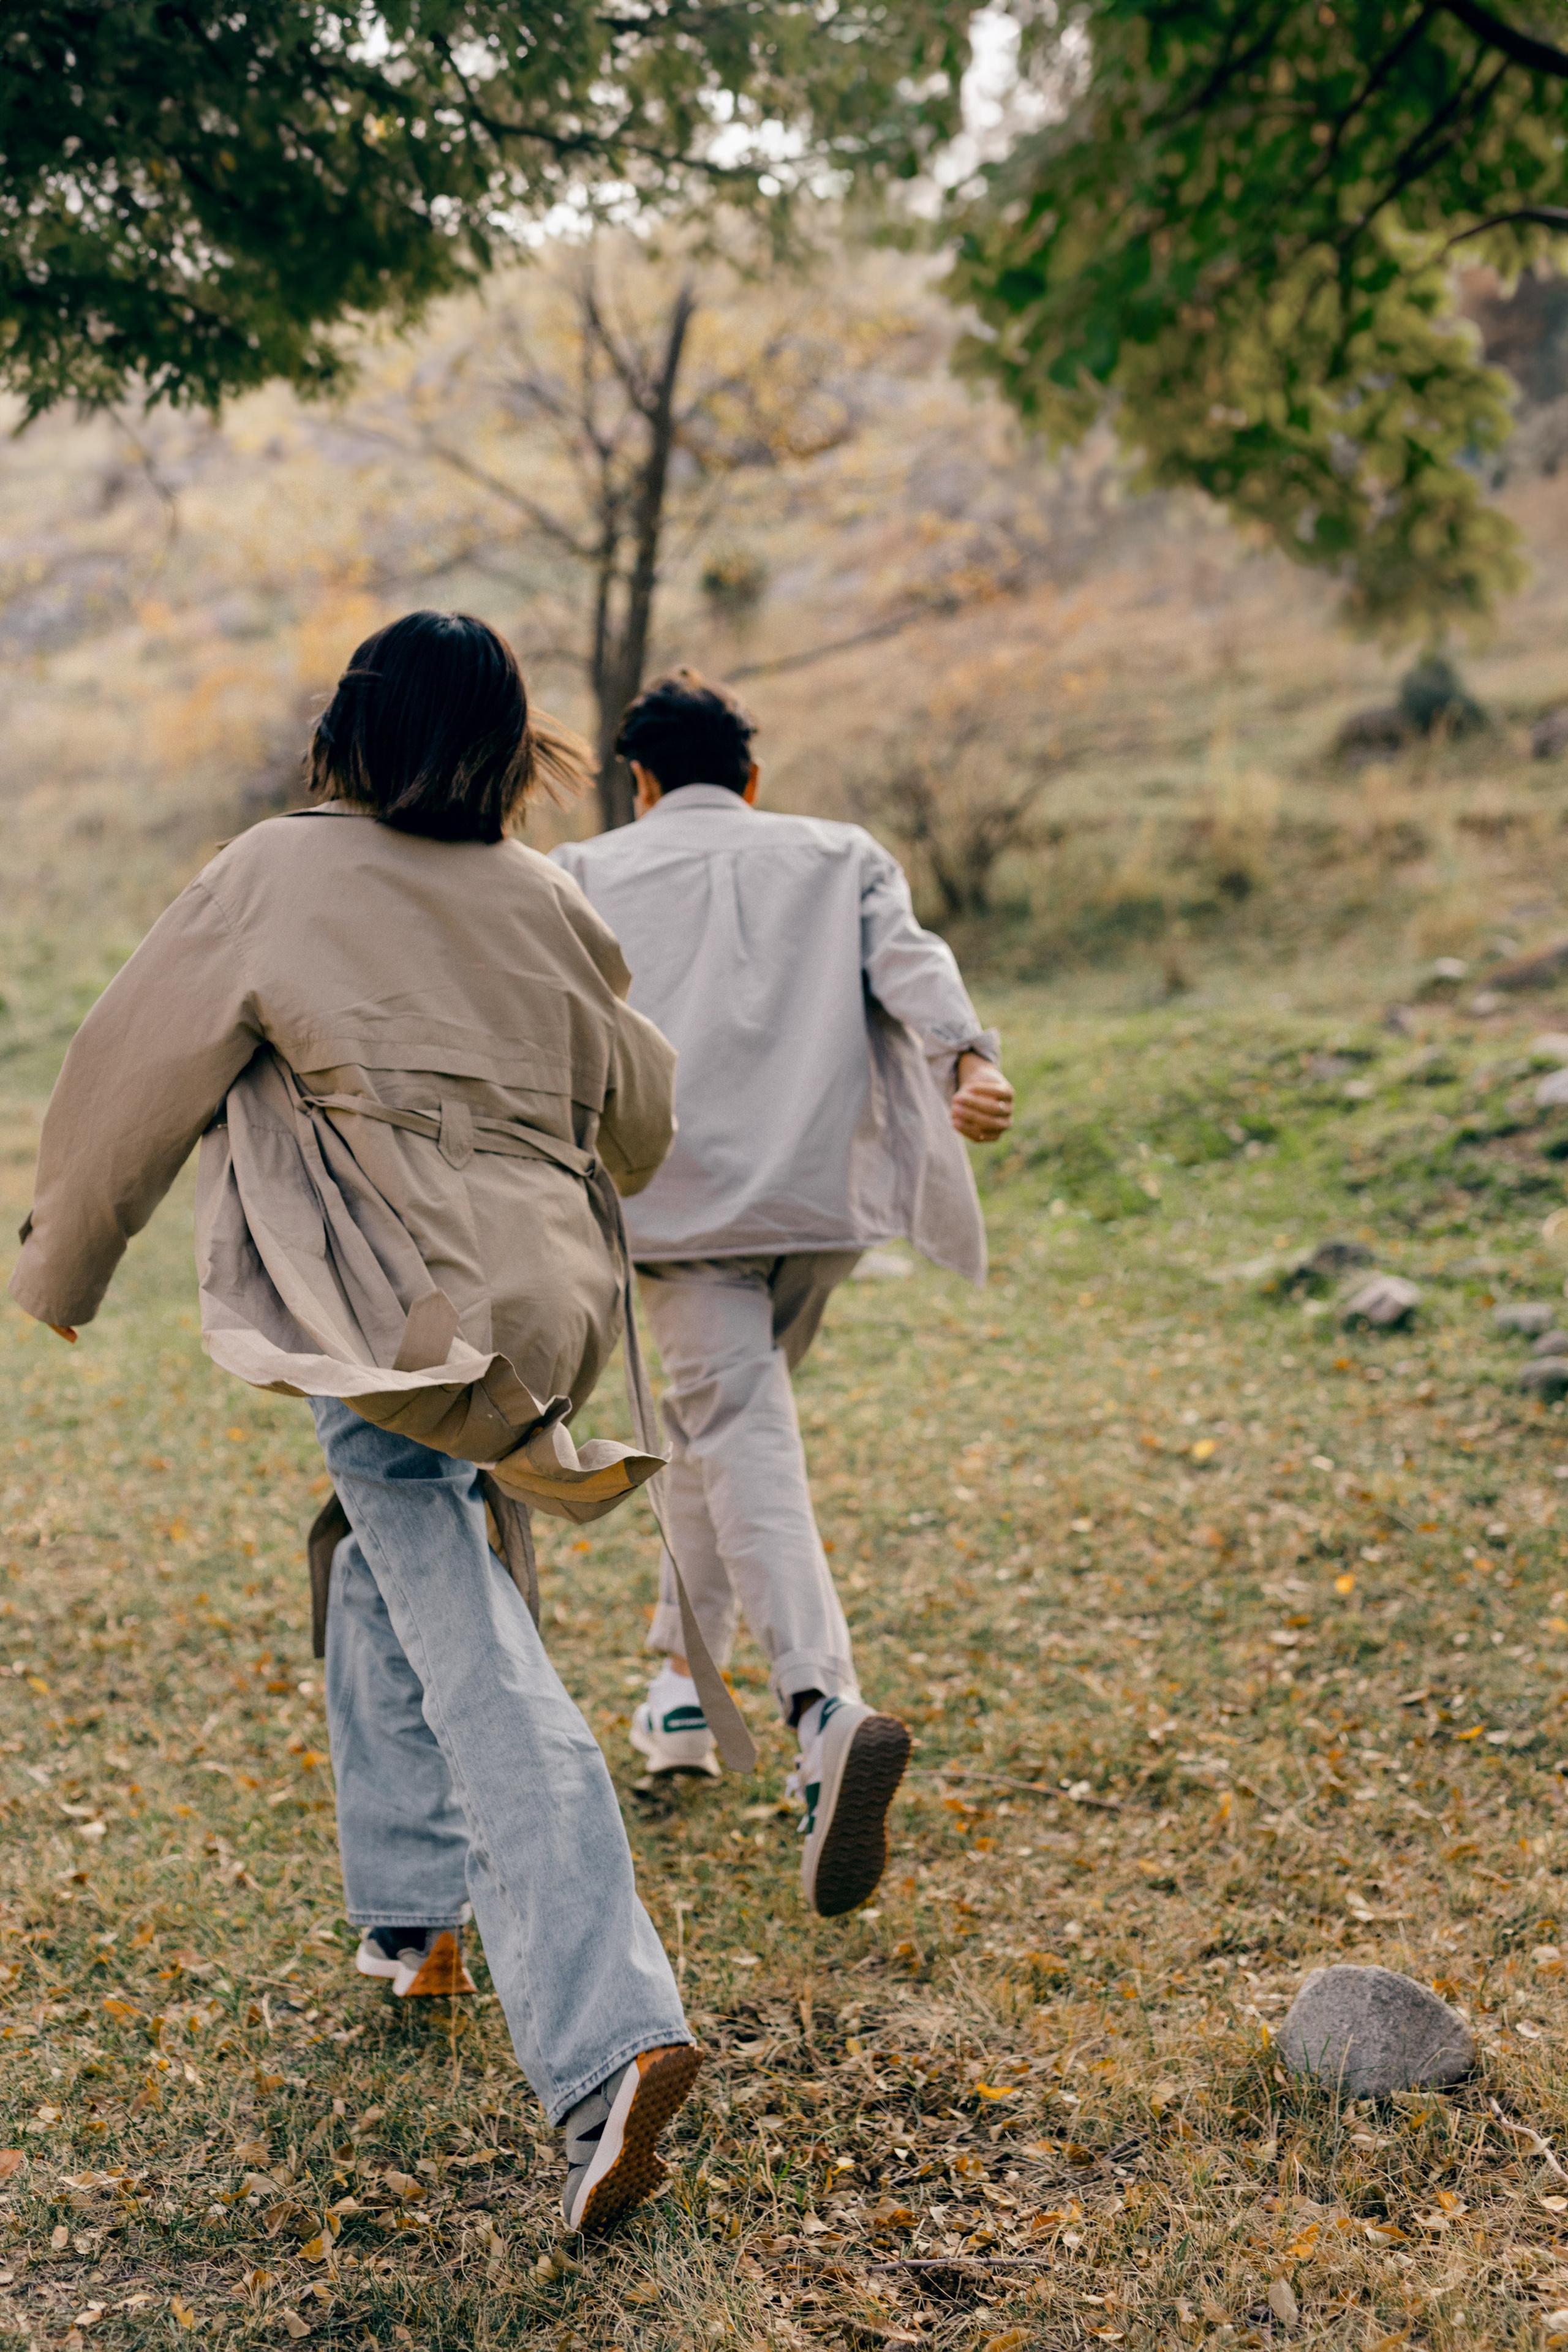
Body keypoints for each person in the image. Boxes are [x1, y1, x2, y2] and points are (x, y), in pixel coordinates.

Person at [9, 612, 706, 2236]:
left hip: (391, 1311)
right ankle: (414, 1919)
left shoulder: (275, 870)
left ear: (353, 732)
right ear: (509, 748)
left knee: (470, 1637)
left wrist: (63, 1263)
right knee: (391, 1541)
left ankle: (610, 2041)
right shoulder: (545, 895)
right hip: (542, 1306)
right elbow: (643, 1118)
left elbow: (133, 1066)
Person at [552, 669, 1015, 1920]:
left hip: (678, 1210)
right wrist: (967, 1059)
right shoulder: (840, 852)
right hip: (816, 1208)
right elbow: (914, 967)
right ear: (749, 777)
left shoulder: (581, 872)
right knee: (722, 1430)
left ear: (638, 782)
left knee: (736, 1432)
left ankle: (819, 1708)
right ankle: (680, 1693)